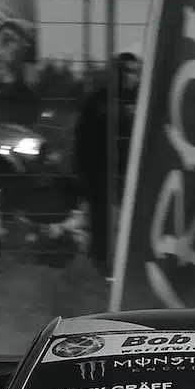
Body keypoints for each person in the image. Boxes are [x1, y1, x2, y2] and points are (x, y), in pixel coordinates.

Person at [71, 52, 139, 275]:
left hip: (132, 174)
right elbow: (82, 137)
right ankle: (102, 265)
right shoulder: (98, 100)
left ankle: (128, 265)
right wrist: (81, 172)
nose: (131, 76)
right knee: (101, 222)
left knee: (131, 223)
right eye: (126, 71)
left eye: (134, 71)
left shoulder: (142, 101)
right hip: (99, 173)